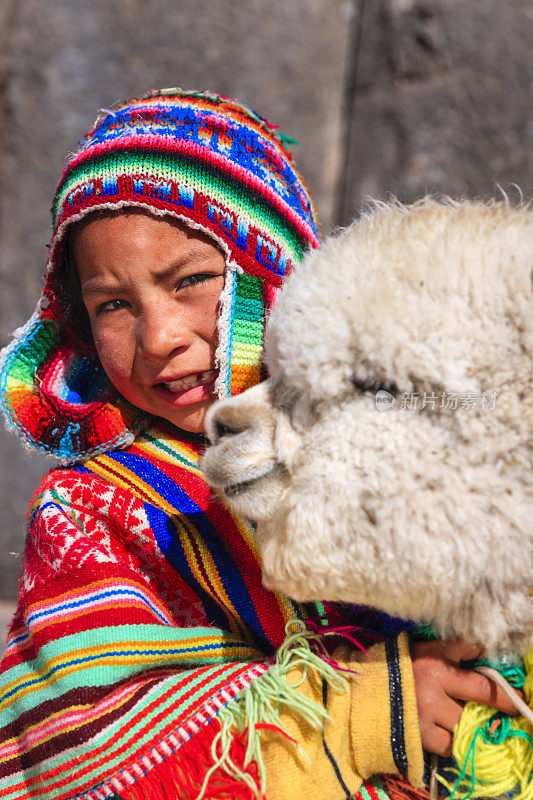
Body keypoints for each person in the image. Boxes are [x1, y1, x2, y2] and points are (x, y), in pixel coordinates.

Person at [0, 89, 518, 800]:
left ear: (274, 275)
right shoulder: (91, 513)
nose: (159, 338)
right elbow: (79, 746)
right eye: (113, 305)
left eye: (190, 282)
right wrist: (365, 713)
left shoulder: (399, 431)